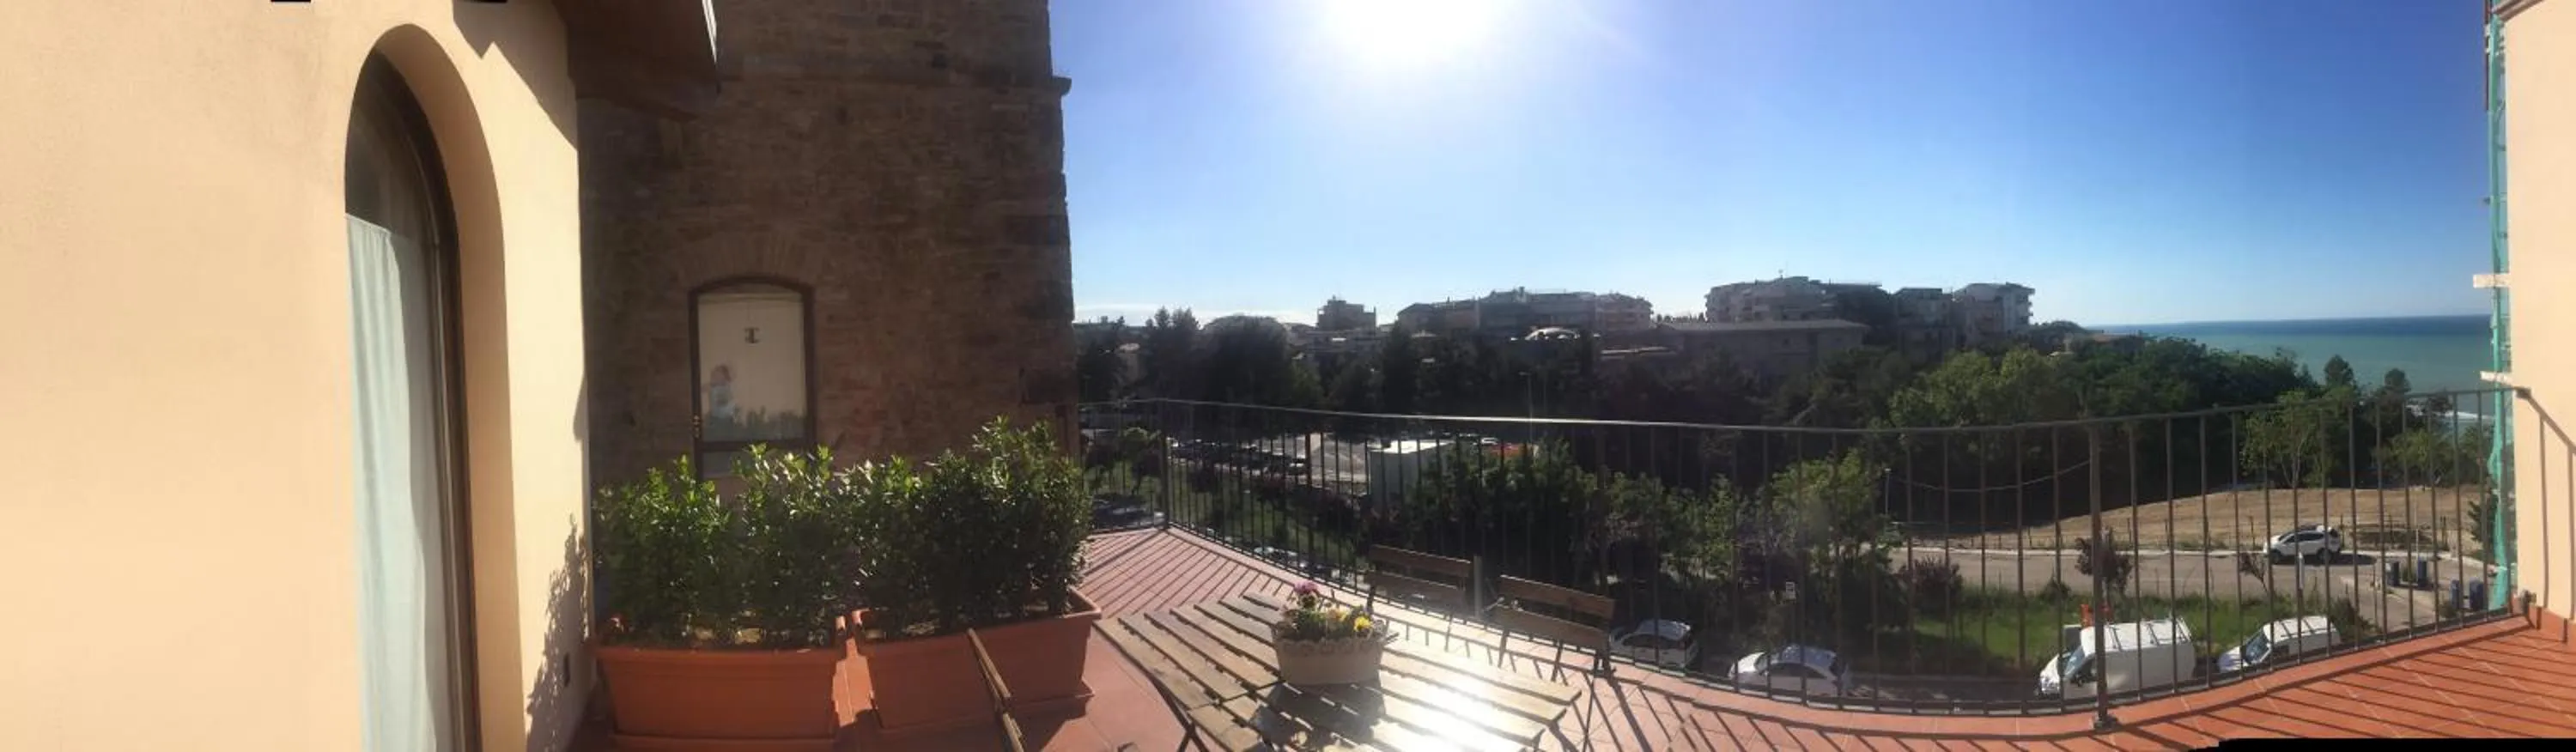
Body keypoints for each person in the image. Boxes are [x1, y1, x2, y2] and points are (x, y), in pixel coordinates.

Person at [705, 364, 738, 433]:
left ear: (724, 376)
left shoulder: (727, 387)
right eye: (714, 375)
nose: (715, 377)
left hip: (726, 419)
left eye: (718, 374)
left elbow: (723, 401)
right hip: (716, 419)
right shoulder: (713, 387)